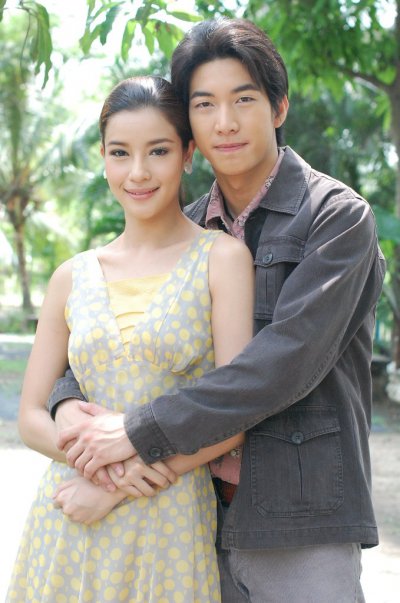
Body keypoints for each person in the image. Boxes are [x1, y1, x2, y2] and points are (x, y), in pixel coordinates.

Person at [49, 18, 386, 603]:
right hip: (185, 513)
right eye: (204, 105)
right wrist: (65, 401)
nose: (224, 122)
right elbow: (113, 336)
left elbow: (282, 363)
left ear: (279, 107)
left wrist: (133, 433)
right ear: (188, 126)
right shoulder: (184, 232)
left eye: (243, 99)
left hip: (298, 519)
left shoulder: (336, 218)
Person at [6, 75, 255, 603]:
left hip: (168, 519)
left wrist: (115, 485)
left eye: (158, 151)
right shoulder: (71, 276)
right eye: (120, 153)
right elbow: (30, 416)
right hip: (69, 515)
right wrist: (102, 477)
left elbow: (233, 418)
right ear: (103, 158)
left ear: (187, 154)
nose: (137, 172)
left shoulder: (222, 259)